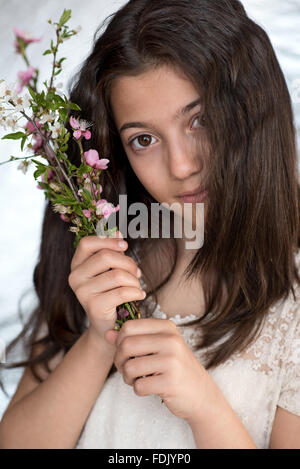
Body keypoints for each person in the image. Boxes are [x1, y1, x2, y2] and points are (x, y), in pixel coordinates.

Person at [0, 0, 300, 449]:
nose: (181, 166)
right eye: (143, 140)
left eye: (199, 120)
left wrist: (205, 408)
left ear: (253, 109)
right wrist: (99, 340)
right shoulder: (108, 253)